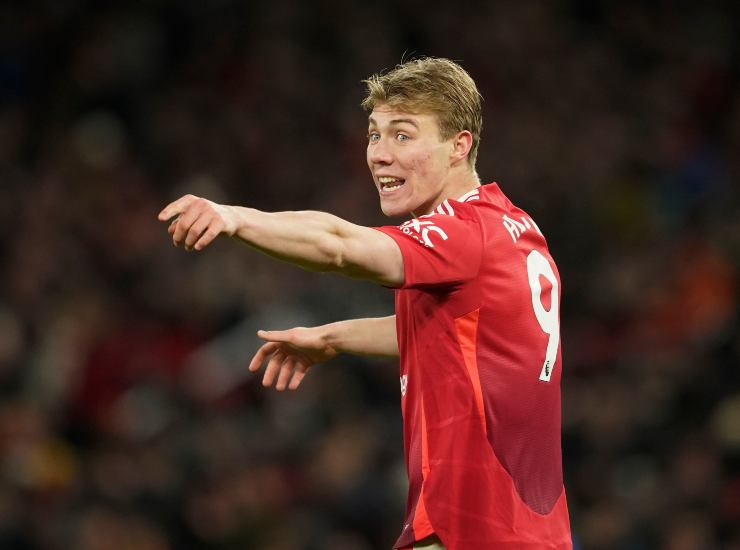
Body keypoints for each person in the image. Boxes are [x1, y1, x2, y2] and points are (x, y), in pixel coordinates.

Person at [158, 57, 572, 550]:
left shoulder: (462, 234)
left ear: (459, 145)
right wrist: (334, 338)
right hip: (535, 533)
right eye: (375, 135)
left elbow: (339, 245)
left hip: (472, 529)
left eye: (403, 135)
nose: (379, 154)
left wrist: (234, 218)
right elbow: (460, 337)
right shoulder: (513, 225)